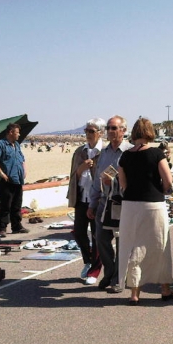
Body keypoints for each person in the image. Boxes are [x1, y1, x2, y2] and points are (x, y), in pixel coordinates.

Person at [117, 118, 173, 305]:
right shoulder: (157, 154)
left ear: (134, 133)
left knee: (134, 246)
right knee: (160, 246)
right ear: (150, 132)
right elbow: (168, 181)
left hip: (130, 206)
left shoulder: (125, 156)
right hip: (153, 204)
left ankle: (135, 292)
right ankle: (165, 289)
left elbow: (123, 185)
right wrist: (163, 189)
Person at [87, 115, 131, 293]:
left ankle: (118, 279)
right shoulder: (104, 153)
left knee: (122, 242)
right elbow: (97, 181)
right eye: (109, 128)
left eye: (114, 128)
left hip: (123, 203)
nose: (111, 131)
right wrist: (92, 203)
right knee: (101, 239)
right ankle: (110, 272)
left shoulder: (130, 152)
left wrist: (115, 183)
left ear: (123, 130)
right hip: (104, 203)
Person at [67, 118, 105, 285]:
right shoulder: (79, 152)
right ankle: (88, 260)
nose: (88, 134)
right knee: (79, 232)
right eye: (86, 131)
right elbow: (73, 176)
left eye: (91, 131)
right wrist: (81, 168)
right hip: (82, 198)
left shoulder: (105, 151)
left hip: (98, 200)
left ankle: (95, 272)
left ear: (100, 133)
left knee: (97, 235)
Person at [0, 122, 29, 237]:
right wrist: (1, 173)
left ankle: (17, 226)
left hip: (18, 179)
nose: (19, 135)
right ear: (10, 132)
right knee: (6, 204)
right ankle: (2, 228)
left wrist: (24, 170)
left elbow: (22, 158)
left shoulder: (16, 144)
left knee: (17, 204)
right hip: (7, 179)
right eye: (17, 132)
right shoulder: (0, 144)